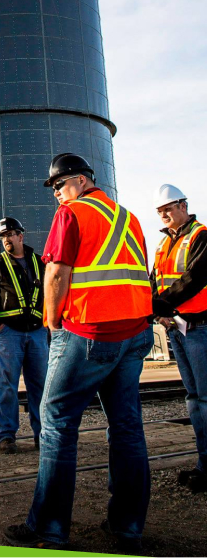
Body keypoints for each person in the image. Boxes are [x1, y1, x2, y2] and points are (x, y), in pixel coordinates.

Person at [5, 153, 154, 552]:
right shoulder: (129, 218)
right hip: (134, 333)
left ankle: (49, 528)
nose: (56, 194)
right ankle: (127, 528)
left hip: (89, 333)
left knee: (55, 423)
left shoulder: (73, 214)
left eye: (59, 185)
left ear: (83, 180)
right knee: (126, 427)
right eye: (54, 189)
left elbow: (55, 272)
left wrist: (53, 325)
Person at [151, 183, 207, 493]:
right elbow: (155, 280)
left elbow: (195, 277)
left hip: (201, 328)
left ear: (183, 206)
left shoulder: (201, 236)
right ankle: (203, 464)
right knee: (194, 399)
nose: (165, 216)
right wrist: (157, 311)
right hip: (179, 329)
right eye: (160, 212)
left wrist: (162, 306)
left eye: (169, 209)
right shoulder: (163, 245)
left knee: (205, 399)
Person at [0, 216, 47, 453]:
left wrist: (46, 323)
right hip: (9, 334)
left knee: (40, 385)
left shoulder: (39, 263)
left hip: (37, 332)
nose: (6, 239)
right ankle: (6, 435)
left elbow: (51, 291)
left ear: (21, 235)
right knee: (6, 386)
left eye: (10, 234)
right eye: (3, 236)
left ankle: (43, 435)